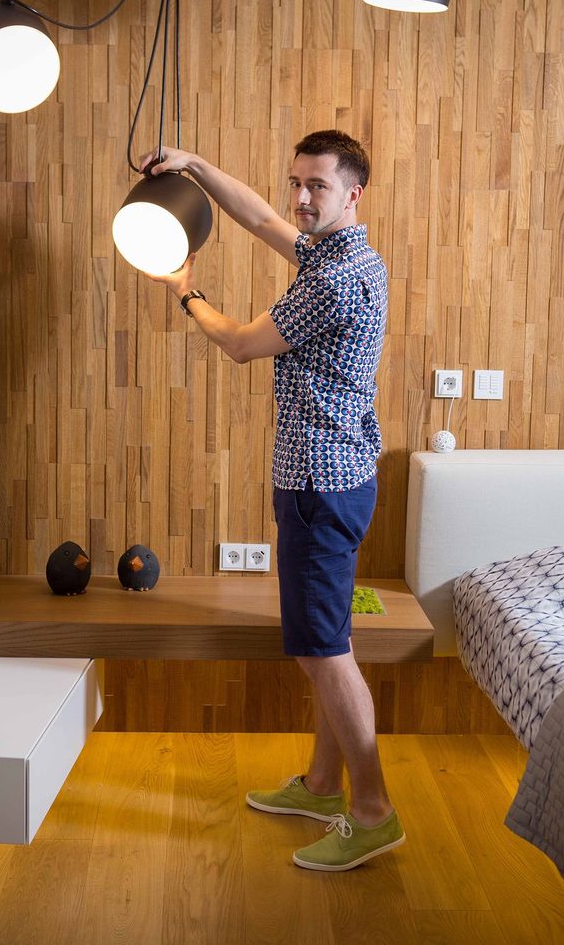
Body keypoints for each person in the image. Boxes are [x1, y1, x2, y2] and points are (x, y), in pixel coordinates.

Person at [139, 130, 404, 872]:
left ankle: (373, 809)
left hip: (321, 485)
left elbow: (242, 344)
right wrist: (192, 162)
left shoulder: (333, 279)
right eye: (297, 182)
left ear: (353, 194)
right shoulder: (345, 253)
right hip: (327, 478)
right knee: (329, 646)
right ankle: (323, 786)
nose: (300, 199)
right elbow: (258, 219)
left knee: (323, 654)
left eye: (317, 186)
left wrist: (185, 291)